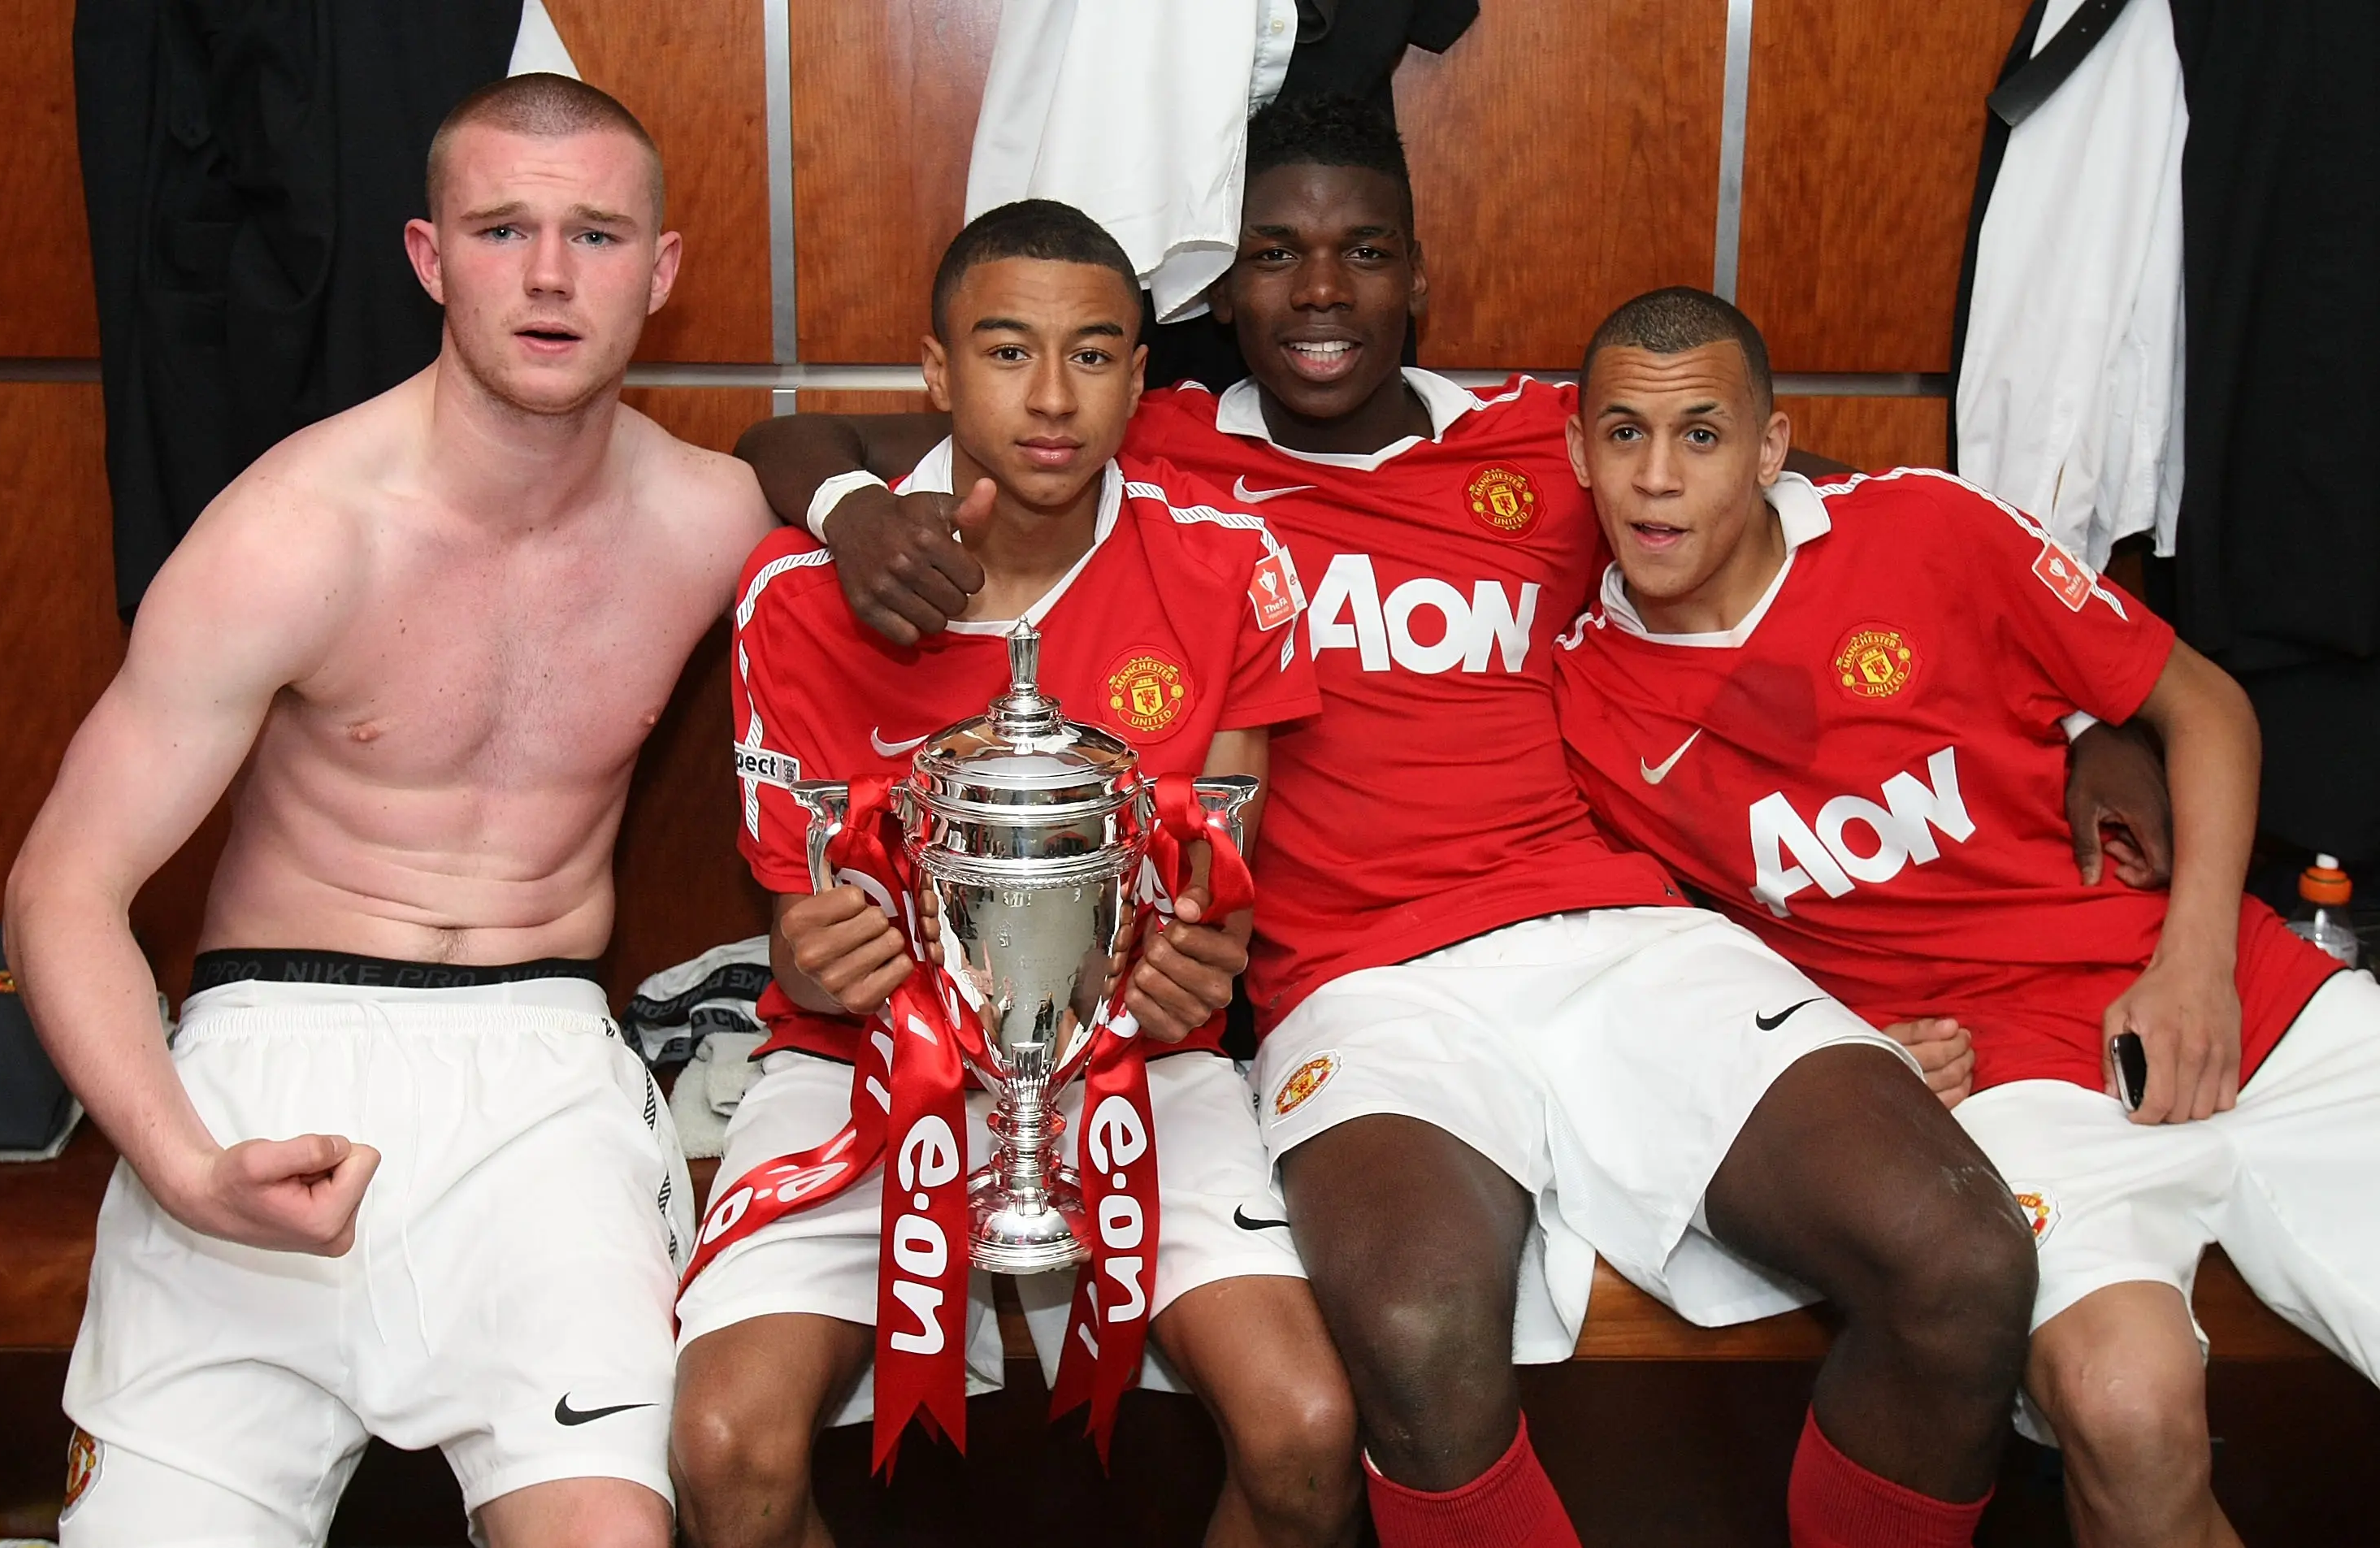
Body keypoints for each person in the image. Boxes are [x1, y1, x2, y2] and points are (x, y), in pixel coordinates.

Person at [744, 96, 2183, 1548]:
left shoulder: (1546, 444)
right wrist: (856, 507)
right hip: (1360, 987)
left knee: (1963, 1261)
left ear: (1419, 275)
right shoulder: (1148, 441)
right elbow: (799, 433)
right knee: (1420, 1333)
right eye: (1273, 256)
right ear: (1216, 290)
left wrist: (2095, 715)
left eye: (1363, 252)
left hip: (1619, 938)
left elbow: (1828, 530)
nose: (1318, 292)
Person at [5, 76, 773, 1548]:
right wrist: (182, 1167)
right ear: (429, 259)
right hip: (264, 1063)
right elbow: (63, 885)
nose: (550, 277)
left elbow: (877, 562)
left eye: (598, 236)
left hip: (541, 1068)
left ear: (661, 275)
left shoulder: (709, 523)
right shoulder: (294, 531)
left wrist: (856, 496)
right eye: (503, 230)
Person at [1550, 285, 2379, 1548]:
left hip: (2229, 991)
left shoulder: (1929, 530)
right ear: (1578, 452)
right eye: (1625, 436)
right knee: (2126, 1409)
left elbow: (2203, 709)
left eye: (1704, 435)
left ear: (1771, 449)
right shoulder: (1588, 709)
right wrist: (1842, 1060)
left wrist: (2197, 962)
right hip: (2000, 1083)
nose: (1659, 480)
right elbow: (1658, 974)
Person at [669, 200, 1359, 1548]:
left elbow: (1217, 887)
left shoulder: (1228, 569)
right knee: (725, 1452)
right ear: (936, 372)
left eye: (1096, 356)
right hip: (864, 1061)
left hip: (1131, 1070)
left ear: (1143, 378)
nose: (1053, 398)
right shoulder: (800, 591)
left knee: (1307, 1435)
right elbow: (800, 922)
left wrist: (1194, 963)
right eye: (1006, 352)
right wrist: (810, 959)